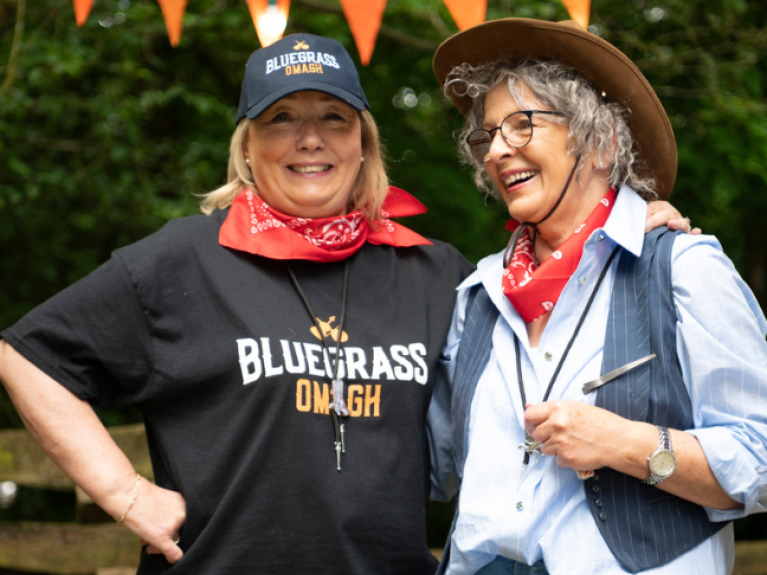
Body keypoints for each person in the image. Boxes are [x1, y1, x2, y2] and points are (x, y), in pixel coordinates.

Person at [0, 32, 691, 574]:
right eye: (280, 119)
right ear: (248, 146)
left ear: (363, 145)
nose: (309, 138)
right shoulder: (184, 258)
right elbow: (26, 355)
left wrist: (618, 226)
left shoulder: (433, 270)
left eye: (333, 117)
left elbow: (543, 320)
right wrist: (126, 494)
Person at [427, 18, 767, 575]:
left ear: (601, 142)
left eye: (521, 124)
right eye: (488, 135)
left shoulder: (685, 269)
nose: (496, 151)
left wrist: (627, 444)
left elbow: (760, 462)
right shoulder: (478, 295)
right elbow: (425, 462)